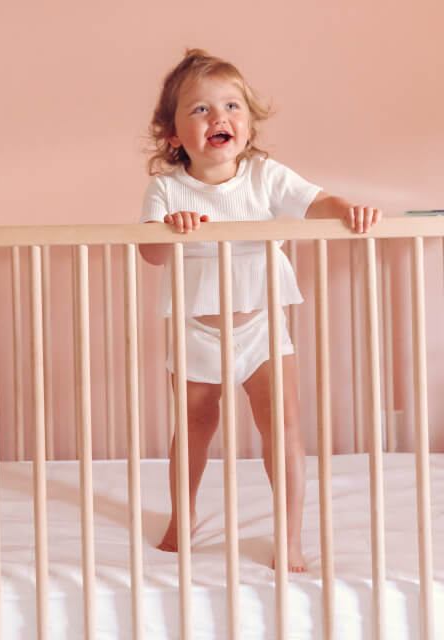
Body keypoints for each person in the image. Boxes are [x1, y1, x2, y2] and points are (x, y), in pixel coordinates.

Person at [139, 48, 382, 572]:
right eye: (199, 109)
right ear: (174, 136)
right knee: (195, 428)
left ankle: (289, 536)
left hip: (262, 327)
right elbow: (150, 254)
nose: (218, 117)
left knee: (283, 427)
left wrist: (347, 209)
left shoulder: (263, 176)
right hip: (197, 331)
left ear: (247, 126)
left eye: (231, 106)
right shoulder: (166, 187)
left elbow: (315, 201)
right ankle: (184, 517)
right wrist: (169, 229)